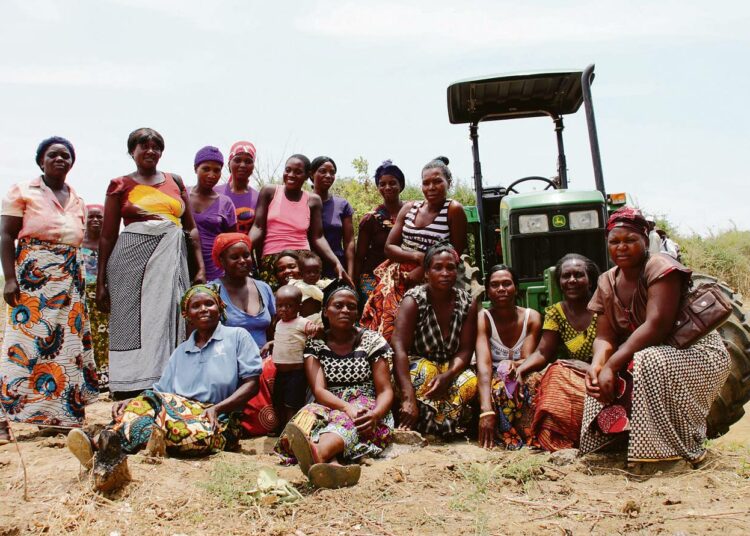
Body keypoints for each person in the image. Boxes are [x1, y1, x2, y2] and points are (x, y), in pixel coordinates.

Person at [66, 284, 262, 491]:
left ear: (220, 307)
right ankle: (104, 442)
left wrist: (217, 409)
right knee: (149, 407)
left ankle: (102, 440)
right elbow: (160, 393)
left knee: (181, 432)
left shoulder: (237, 337)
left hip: (220, 420)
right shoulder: (181, 351)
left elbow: (252, 384)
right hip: (179, 412)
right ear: (187, 315)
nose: (204, 309)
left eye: (209, 303)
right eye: (196, 306)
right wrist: (132, 401)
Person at [580, 207, 730, 466]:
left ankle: (664, 454)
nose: (622, 247)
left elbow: (656, 326)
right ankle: (610, 446)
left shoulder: (660, 267)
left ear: (645, 239)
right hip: (650, 352)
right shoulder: (606, 281)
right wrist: (597, 366)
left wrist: (613, 365)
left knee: (645, 361)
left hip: (696, 351)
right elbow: (604, 337)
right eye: (614, 242)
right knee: (599, 373)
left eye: (630, 240)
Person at [0, 136, 98, 443]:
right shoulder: (23, 192)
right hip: (32, 279)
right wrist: (10, 278)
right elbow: (5, 235)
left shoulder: (78, 199)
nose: (60, 159)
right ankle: (3, 420)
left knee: (68, 349)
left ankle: (62, 417)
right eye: (53, 155)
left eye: (66, 156)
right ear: (41, 161)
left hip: (70, 283)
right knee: (21, 347)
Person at [276, 281, 394, 489]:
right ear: (325, 311)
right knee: (309, 416)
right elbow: (319, 390)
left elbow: (385, 390)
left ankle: (319, 453)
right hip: (329, 401)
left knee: (353, 417)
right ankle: (332, 465)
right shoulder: (315, 344)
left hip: (366, 404)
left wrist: (375, 414)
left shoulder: (371, 340)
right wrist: (344, 406)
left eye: (351, 306)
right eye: (338, 306)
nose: (345, 310)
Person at [361, 156, 467, 342]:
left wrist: (423, 269)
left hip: (436, 274)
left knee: (424, 326)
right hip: (399, 273)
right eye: (426, 183)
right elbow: (389, 248)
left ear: (448, 183)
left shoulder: (453, 210)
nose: (431, 187)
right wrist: (417, 256)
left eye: (437, 181)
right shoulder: (410, 208)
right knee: (386, 322)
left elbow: (455, 252)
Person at [513, 254, 599, 452]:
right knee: (539, 377)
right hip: (574, 374)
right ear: (559, 282)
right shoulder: (556, 312)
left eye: (578, 275)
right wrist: (520, 368)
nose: (571, 281)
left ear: (590, 280)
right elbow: (543, 351)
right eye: (565, 276)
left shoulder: (602, 309)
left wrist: (592, 367)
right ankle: (555, 438)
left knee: (557, 371)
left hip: (602, 372)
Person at [391, 243, 479, 438]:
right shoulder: (414, 300)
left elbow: (465, 350)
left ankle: (439, 424)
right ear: (426, 273)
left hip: (449, 366)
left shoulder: (467, 303)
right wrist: (407, 397)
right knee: (427, 372)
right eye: (438, 267)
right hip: (415, 365)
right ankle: (412, 413)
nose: (445, 273)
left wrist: (449, 375)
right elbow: (399, 347)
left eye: (450, 268)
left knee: (470, 381)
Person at [249, 154, 352, 289]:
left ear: (306, 175)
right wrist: (243, 248)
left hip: (301, 260)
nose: (291, 175)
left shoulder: (313, 200)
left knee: (306, 302)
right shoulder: (270, 191)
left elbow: (318, 237)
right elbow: (258, 227)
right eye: (288, 170)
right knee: (277, 303)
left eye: (298, 172)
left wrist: (336, 263)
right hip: (272, 259)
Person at [210, 233, 278, 436]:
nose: (242, 261)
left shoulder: (263, 288)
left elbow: (274, 328)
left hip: (264, 361)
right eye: (235, 257)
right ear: (221, 260)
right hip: (229, 361)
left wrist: (274, 342)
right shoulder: (212, 290)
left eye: (246, 255)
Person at [475, 265, 542, 449]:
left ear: (516, 288)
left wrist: (515, 365)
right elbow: (484, 364)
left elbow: (527, 358)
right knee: (497, 388)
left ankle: (532, 432)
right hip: (493, 375)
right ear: (488, 291)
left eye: (507, 283)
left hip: (521, 371)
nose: (501, 289)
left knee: (533, 381)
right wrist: (485, 410)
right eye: (495, 285)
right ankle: (505, 435)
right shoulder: (483, 318)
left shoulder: (532, 317)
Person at [353, 159, 405, 302]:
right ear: (378, 187)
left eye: (392, 183)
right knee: (374, 306)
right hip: (373, 276)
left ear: (401, 185)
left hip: (405, 274)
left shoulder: (413, 213)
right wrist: (353, 285)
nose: (388, 187)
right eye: (382, 184)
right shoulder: (370, 219)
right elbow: (359, 257)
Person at [271, 285, 318, 429]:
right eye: (280, 306)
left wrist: (314, 329)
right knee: (278, 401)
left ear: (299, 306)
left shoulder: (302, 322)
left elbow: (316, 331)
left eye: (289, 306)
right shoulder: (279, 323)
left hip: (296, 373)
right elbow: (284, 338)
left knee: (292, 403)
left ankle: (291, 431)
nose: (283, 309)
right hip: (279, 373)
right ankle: (281, 428)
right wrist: (270, 344)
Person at [189, 146, 237, 281]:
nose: (211, 175)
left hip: (216, 270)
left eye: (217, 170)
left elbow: (231, 242)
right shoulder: (182, 196)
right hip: (184, 265)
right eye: (206, 169)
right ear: (195, 168)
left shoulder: (225, 203)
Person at [310, 156, 355, 279]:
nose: (328, 175)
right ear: (311, 174)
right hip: (308, 268)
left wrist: (350, 274)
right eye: (323, 171)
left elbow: (349, 242)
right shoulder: (302, 201)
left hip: (336, 268)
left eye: (332, 172)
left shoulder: (342, 205)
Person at [81, 203, 110, 391]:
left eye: (99, 217)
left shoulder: (109, 244)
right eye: (91, 216)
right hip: (82, 295)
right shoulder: (77, 243)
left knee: (104, 336)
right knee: (86, 335)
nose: (95, 220)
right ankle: (88, 377)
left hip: (103, 295)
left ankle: (105, 376)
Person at [215, 141, 260, 234]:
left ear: (253, 167)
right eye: (237, 160)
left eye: (248, 161)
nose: (242, 165)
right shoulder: (214, 193)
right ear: (229, 164)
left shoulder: (259, 199)